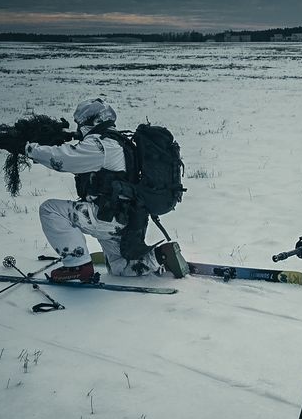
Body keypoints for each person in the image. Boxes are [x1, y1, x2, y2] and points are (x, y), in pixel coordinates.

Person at [24, 98, 187, 282]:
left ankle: (78, 265)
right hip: (126, 218)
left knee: (50, 209)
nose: (78, 129)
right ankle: (161, 256)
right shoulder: (119, 141)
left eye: (80, 123)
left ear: (91, 121)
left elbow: (64, 159)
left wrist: (31, 150)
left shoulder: (100, 145)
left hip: (105, 215)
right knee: (120, 267)